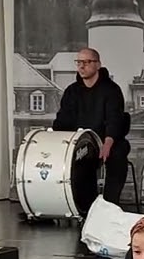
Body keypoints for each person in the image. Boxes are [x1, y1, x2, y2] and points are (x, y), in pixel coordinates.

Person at [53, 47, 131, 208]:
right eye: (79, 62)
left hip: (107, 140)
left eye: (87, 62)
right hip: (82, 142)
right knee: (78, 160)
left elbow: (114, 119)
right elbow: (62, 121)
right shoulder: (72, 91)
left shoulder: (111, 90)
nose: (82, 66)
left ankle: (110, 207)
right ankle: (85, 207)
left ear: (98, 65)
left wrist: (107, 144)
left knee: (118, 155)